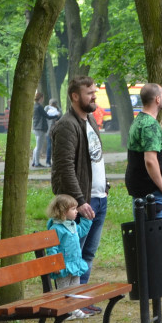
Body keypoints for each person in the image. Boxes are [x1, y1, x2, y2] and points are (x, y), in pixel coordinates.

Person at [50, 76, 108, 295]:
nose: (94, 96)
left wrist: (105, 187)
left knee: (88, 254)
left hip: (99, 198)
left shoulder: (90, 120)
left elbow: (95, 157)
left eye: (95, 91)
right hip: (81, 202)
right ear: (75, 96)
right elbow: (64, 168)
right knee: (74, 254)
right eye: (89, 93)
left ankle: (80, 300)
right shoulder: (66, 125)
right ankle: (70, 300)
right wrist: (80, 201)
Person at [125, 83, 162, 224]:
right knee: (159, 241)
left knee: (145, 240)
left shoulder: (138, 120)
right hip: (152, 193)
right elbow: (150, 160)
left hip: (142, 191)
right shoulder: (149, 125)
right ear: (157, 99)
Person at [44, 194, 91, 315]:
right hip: (63, 266)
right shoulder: (56, 228)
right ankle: (65, 311)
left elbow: (81, 231)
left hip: (75, 263)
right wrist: (55, 264)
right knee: (64, 290)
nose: (76, 212)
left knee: (75, 287)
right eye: (73, 209)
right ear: (63, 211)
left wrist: (87, 219)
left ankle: (74, 308)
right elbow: (52, 248)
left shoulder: (72, 225)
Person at [32, 91, 49, 168]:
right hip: (40, 128)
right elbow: (46, 116)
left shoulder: (35, 106)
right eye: (43, 98)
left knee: (37, 146)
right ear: (41, 98)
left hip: (36, 127)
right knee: (39, 147)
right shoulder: (39, 107)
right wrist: (56, 115)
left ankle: (34, 161)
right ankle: (37, 163)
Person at [44, 99, 61, 166]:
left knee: (55, 146)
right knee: (49, 146)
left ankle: (54, 161)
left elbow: (59, 118)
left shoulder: (58, 110)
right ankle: (48, 161)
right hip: (49, 130)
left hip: (55, 130)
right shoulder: (47, 109)